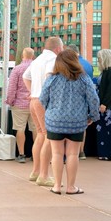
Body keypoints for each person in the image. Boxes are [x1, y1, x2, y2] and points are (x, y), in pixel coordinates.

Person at [40, 49, 99, 195]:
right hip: (77, 121)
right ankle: (71, 187)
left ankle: (56, 186)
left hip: (55, 121)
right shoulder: (84, 79)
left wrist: (51, 109)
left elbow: (42, 98)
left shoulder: (52, 79)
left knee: (57, 153)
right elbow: (94, 99)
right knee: (73, 154)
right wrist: (92, 115)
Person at [23, 36, 63, 187]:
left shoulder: (37, 59)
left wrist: (32, 90)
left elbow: (25, 76)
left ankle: (36, 172)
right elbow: (49, 77)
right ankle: (44, 175)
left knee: (40, 134)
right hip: (43, 100)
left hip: (34, 99)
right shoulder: (53, 59)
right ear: (58, 48)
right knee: (49, 136)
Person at [6, 47, 36, 163]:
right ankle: (35, 154)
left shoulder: (17, 69)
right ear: (32, 56)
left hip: (19, 104)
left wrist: (10, 101)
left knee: (20, 129)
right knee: (36, 130)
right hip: (35, 103)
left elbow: (12, 87)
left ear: (22, 56)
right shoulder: (37, 68)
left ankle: (22, 154)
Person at [96, 49, 111, 160]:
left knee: (106, 130)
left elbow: (109, 90)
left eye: (100, 58)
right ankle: (104, 153)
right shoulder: (104, 71)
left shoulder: (108, 71)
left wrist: (104, 103)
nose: (98, 60)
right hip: (103, 106)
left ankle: (106, 153)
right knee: (103, 130)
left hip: (106, 107)